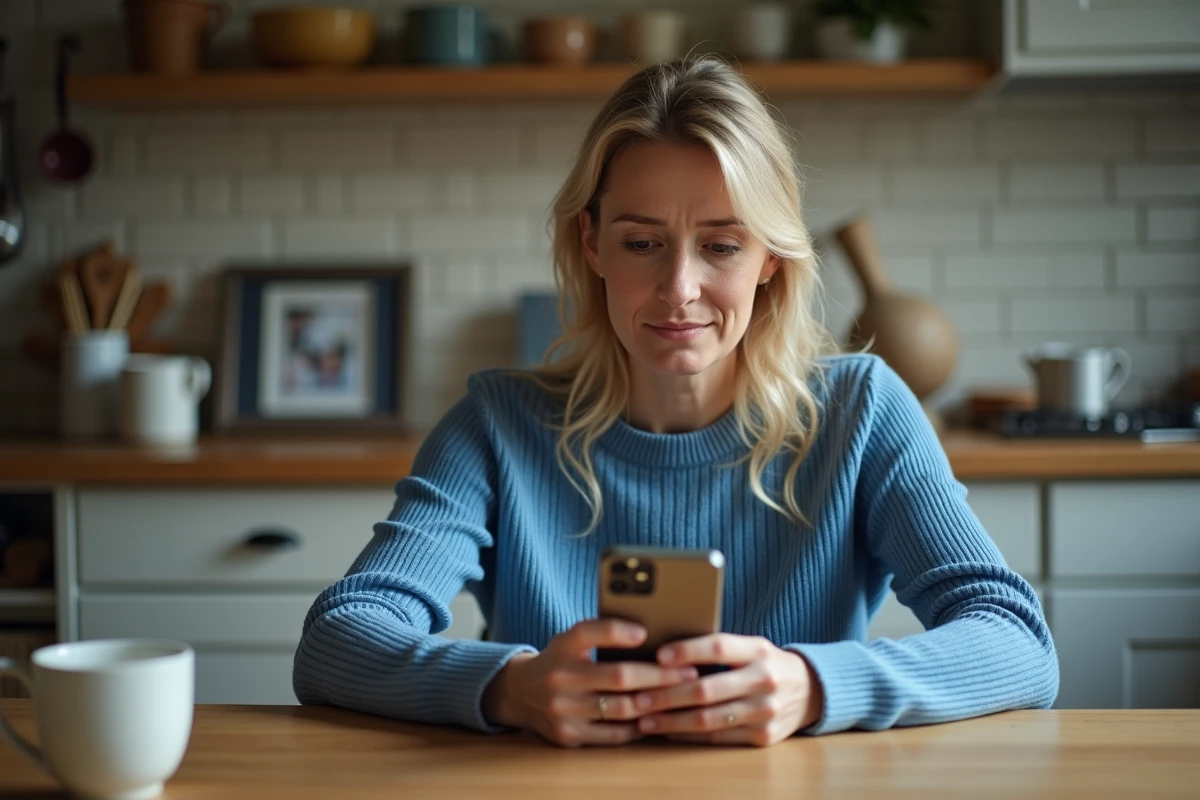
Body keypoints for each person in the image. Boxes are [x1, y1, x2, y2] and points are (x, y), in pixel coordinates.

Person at [293, 55, 1058, 748]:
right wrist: (510, 688)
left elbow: (1018, 644)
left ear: (769, 259)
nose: (679, 289)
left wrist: (815, 686)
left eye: (721, 246)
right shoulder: (496, 427)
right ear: (591, 244)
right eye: (642, 242)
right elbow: (337, 641)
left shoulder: (863, 411)